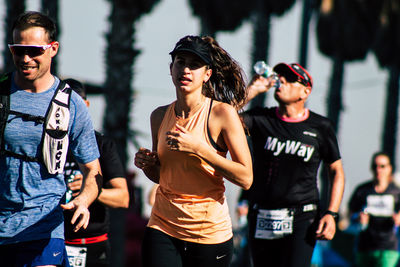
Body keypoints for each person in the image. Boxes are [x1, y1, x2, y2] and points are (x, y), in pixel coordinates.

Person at [134, 35, 253, 267]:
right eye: (180, 62)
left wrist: (199, 148)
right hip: (162, 225)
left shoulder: (221, 114)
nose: (186, 70)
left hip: (208, 234)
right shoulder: (159, 115)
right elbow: (162, 176)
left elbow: (246, 177)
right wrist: (149, 165)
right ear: (171, 68)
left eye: (195, 65)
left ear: (207, 74)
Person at [0, 11, 101, 267]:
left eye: (34, 51)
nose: (25, 59)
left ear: (53, 48)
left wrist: (83, 200)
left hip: (44, 229)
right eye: (18, 50)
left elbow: (93, 171)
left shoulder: (72, 104)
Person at [242, 62, 345, 267]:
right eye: (281, 77)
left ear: (305, 91)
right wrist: (251, 91)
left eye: (290, 79)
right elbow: (218, 118)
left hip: (302, 217)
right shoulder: (261, 119)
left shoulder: (320, 127)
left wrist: (331, 214)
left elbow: (336, 172)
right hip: (262, 215)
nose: (282, 81)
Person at [62, 78, 129, 267]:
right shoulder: (46, 143)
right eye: (65, 104)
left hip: (93, 244)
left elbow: (122, 198)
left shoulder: (101, 144)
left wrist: (90, 189)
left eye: (76, 104)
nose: (71, 110)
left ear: (86, 105)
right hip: (52, 241)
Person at [349, 152, 400, 267]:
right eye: (375, 166)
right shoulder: (362, 191)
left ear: (389, 168)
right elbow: (350, 214)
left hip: (388, 248)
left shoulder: (396, 192)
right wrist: (358, 217)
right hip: (364, 247)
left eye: (382, 166)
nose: (378, 170)